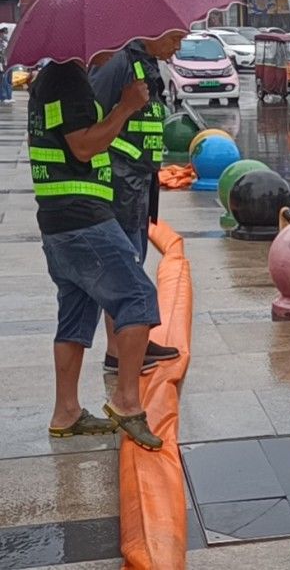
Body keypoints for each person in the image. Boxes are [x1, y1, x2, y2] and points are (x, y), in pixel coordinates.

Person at [29, 59, 163, 451]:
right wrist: (125, 107)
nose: (115, 54)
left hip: (60, 219)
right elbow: (84, 147)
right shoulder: (69, 79)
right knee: (138, 297)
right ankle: (126, 401)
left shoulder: (52, 78)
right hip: (82, 219)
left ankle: (66, 412)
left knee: (76, 312)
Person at [90, 35, 183, 375]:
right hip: (119, 180)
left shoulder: (146, 63)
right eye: (177, 37)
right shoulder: (118, 63)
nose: (179, 46)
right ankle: (120, 350)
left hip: (140, 180)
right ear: (153, 31)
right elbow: (91, 115)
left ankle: (133, 341)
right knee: (122, 267)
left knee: (134, 261)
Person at [0, 27, 11, 104]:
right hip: (2, 63)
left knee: (8, 81)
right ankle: (4, 97)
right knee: (3, 81)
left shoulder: (5, 41)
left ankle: (8, 96)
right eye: (4, 32)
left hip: (6, 63)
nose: (5, 34)